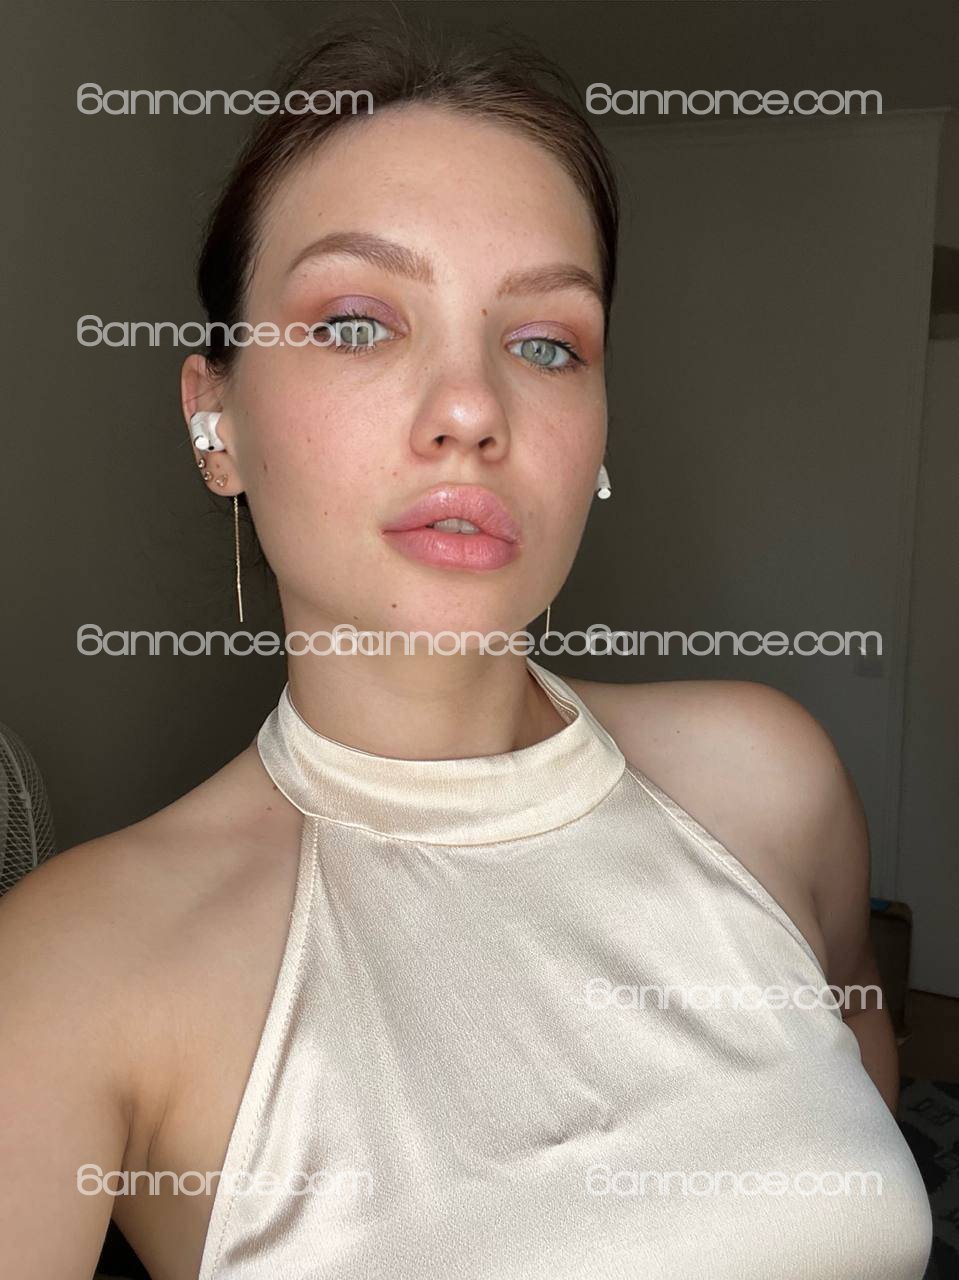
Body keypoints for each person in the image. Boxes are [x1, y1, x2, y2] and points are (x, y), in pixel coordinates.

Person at [0, 20, 933, 1280]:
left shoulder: (770, 779)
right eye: (354, 323)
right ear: (215, 419)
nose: (470, 409)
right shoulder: (69, 966)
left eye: (545, 343)